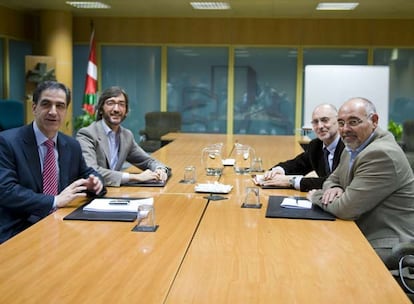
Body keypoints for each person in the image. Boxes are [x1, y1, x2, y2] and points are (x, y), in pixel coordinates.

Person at [307, 97, 414, 263]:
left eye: (353, 122)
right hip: (359, 229)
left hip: (386, 245)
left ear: (374, 121)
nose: (345, 129)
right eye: (341, 123)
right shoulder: (354, 146)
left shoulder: (380, 154)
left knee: (318, 257)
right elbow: (332, 179)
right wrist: (334, 187)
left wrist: (315, 196)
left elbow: (345, 209)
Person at [0, 81, 106, 243]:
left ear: (66, 111)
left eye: (60, 106)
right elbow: (6, 191)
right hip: (21, 228)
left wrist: (96, 183)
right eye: (46, 104)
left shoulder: (71, 145)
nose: (53, 112)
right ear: (34, 108)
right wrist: (55, 201)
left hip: (61, 224)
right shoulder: (8, 142)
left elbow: (87, 173)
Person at [76, 86, 170, 187]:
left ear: (126, 111)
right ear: (101, 109)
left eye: (121, 104)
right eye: (110, 103)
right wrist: (135, 177)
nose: (116, 109)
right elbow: (91, 171)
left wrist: (160, 169)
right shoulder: (87, 134)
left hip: (113, 192)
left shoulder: (126, 136)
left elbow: (147, 161)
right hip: (90, 195)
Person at [260, 103, 345, 191]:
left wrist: (291, 181)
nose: (320, 126)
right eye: (315, 122)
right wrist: (279, 170)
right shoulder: (316, 145)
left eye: (325, 120)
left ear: (338, 121)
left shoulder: (348, 148)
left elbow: (336, 182)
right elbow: (298, 164)